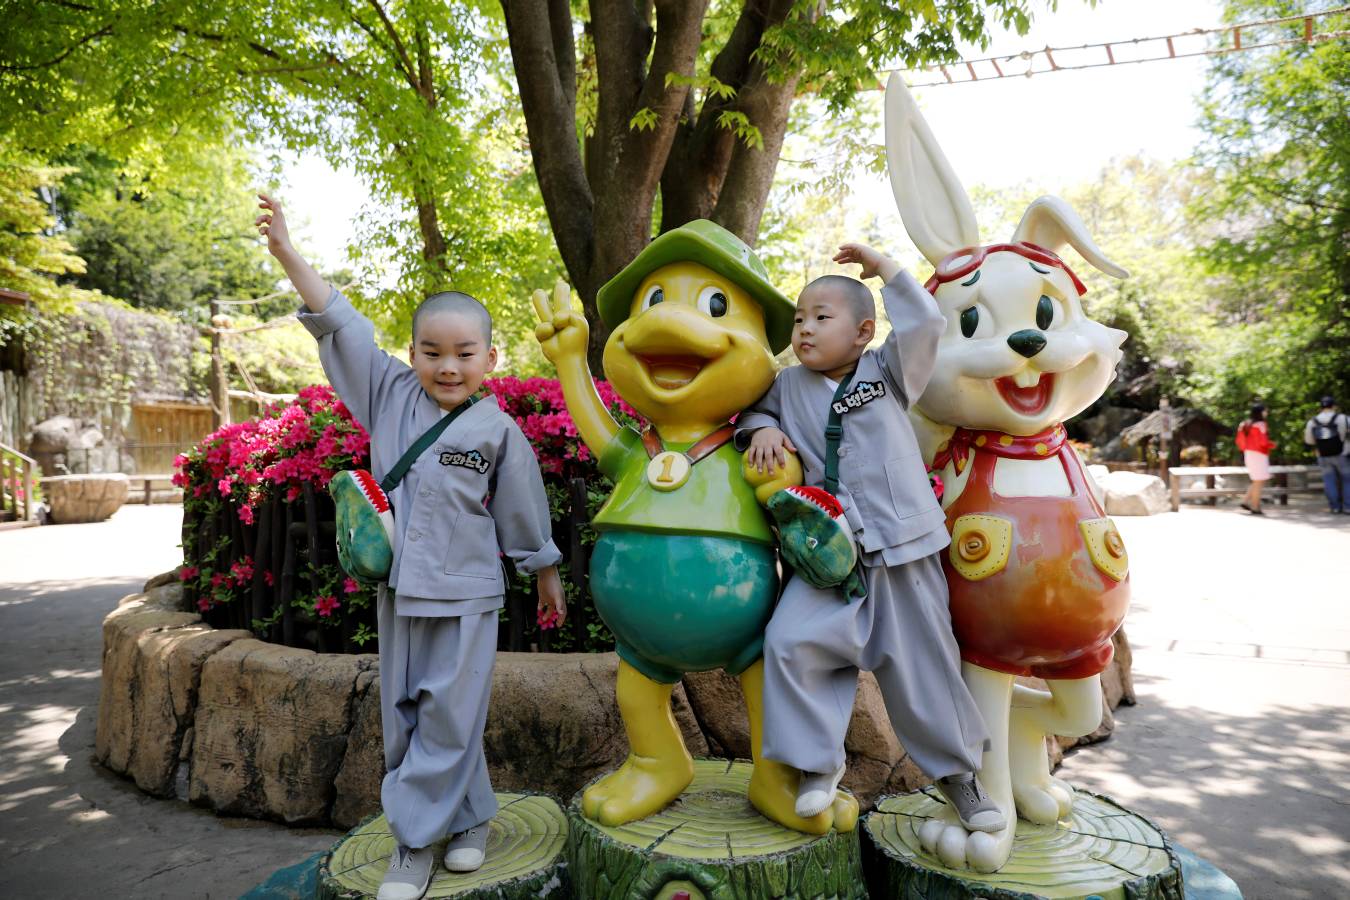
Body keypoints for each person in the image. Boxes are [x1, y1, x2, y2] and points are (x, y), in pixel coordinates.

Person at [256, 194, 565, 900]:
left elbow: (522, 512)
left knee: (451, 716)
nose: (447, 366)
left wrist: (543, 573)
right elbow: (342, 324)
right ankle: (471, 819)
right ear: (413, 353)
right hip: (400, 592)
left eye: (464, 354)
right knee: (406, 713)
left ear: (491, 357)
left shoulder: (499, 432)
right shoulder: (388, 395)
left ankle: (414, 844)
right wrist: (286, 253)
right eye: (431, 352)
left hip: (467, 598)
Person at [736, 242, 1001, 834]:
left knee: (922, 666)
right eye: (800, 318)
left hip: (901, 546)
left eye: (820, 317)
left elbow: (927, 322)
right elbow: (752, 412)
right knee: (790, 643)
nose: (805, 329)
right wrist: (763, 429)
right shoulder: (786, 385)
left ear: (862, 332)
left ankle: (961, 780)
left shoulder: (887, 370)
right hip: (825, 559)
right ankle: (817, 767)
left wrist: (885, 269)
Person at [1304, 396, 1349, 514]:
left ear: (1321, 407)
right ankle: (1347, 506)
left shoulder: (1312, 421)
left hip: (1323, 455)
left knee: (1329, 480)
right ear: (1334, 406)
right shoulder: (1343, 418)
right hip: (1342, 453)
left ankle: (1334, 507)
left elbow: (1309, 440)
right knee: (1347, 480)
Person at [1236, 402, 1276, 515]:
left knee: (1256, 480)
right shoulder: (1261, 425)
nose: (1266, 413)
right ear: (1260, 412)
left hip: (1248, 453)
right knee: (1259, 481)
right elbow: (1263, 442)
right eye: (1265, 411)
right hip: (1259, 454)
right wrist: (1272, 445)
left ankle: (1245, 501)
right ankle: (1255, 506)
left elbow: (1239, 441)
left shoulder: (1244, 424)